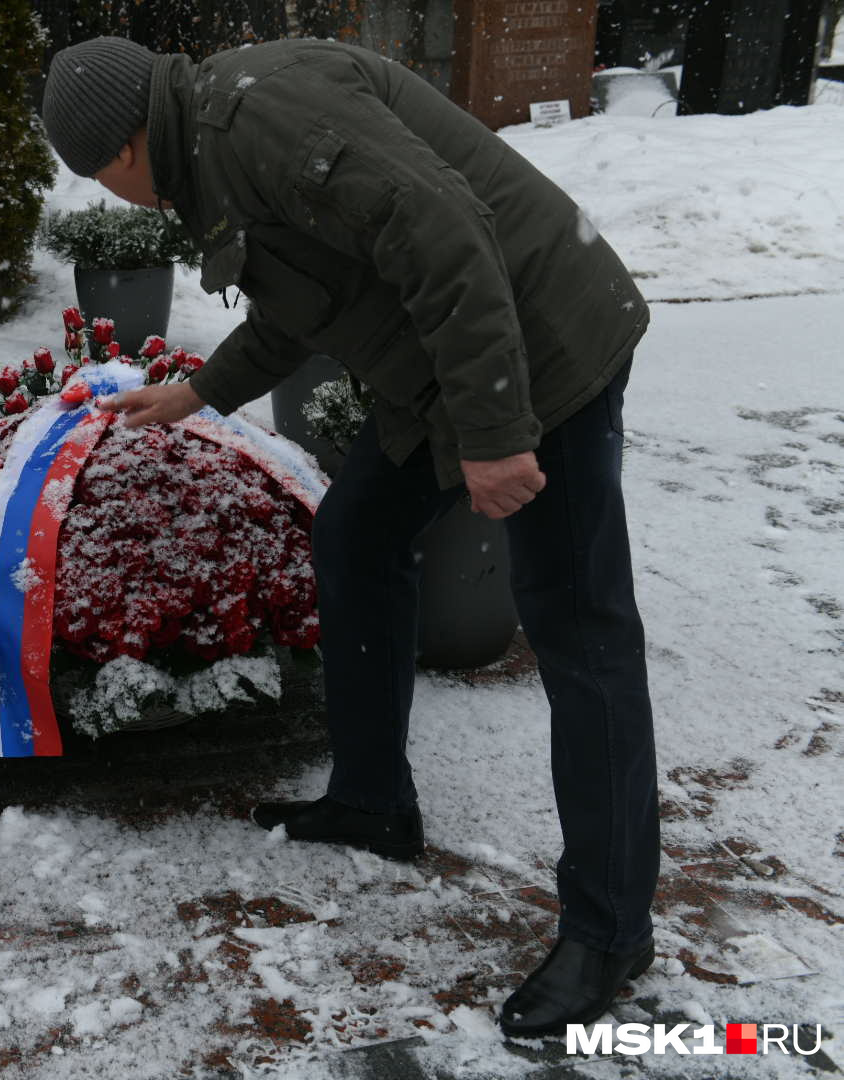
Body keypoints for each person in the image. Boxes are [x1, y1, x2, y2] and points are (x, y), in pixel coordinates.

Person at [41, 35, 659, 1039]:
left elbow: (451, 235)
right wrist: (201, 390)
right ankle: (375, 804)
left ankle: (611, 924)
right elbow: (306, 294)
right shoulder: (218, 149)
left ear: (126, 145)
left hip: (541, 347)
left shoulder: (264, 117)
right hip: (445, 364)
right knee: (357, 534)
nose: (122, 200)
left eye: (108, 178)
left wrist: (500, 435)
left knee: (580, 631)